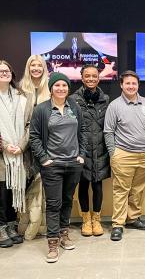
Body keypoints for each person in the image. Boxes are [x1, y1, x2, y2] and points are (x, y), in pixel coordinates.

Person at [30, 72, 86, 263]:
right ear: (51, 88)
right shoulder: (42, 110)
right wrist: (44, 159)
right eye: (57, 85)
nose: (61, 88)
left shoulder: (74, 107)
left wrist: (81, 155)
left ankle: (64, 234)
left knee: (68, 200)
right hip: (52, 165)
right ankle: (52, 242)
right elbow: (34, 136)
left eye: (64, 85)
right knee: (54, 204)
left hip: (73, 164)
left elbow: (82, 132)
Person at [104, 70, 145, 242]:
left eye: (134, 83)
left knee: (137, 190)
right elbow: (108, 132)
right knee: (121, 191)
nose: (131, 86)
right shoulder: (115, 106)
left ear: (138, 85)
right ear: (121, 85)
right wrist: (114, 154)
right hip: (123, 154)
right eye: (128, 83)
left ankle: (133, 218)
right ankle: (118, 224)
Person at [70, 65, 110, 237]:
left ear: (98, 78)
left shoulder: (105, 99)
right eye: (87, 76)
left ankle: (97, 220)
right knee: (84, 184)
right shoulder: (73, 99)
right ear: (82, 77)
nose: (91, 79)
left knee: (98, 185)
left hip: (100, 148)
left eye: (94, 76)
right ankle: (86, 220)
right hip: (81, 149)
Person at [0, 60, 33, 248]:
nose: (4, 73)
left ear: (12, 74)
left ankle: (11, 226)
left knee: (14, 191)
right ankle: (1, 227)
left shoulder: (23, 97)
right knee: (1, 193)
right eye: (0, 71)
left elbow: (29, 124)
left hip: (20, 154)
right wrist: (5, 145)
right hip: (2, 155)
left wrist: (20, 146)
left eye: (7, 70)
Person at [18, 55, 50, 240]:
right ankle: (27, 226)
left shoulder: (50, 88)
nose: (36, 68)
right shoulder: (21, 89)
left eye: (39, 65)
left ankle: (44, 227)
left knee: (46, 189)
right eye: (33, 65)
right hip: (25, 147)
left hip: (47, 146)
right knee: (28, 188)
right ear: (28, 68)